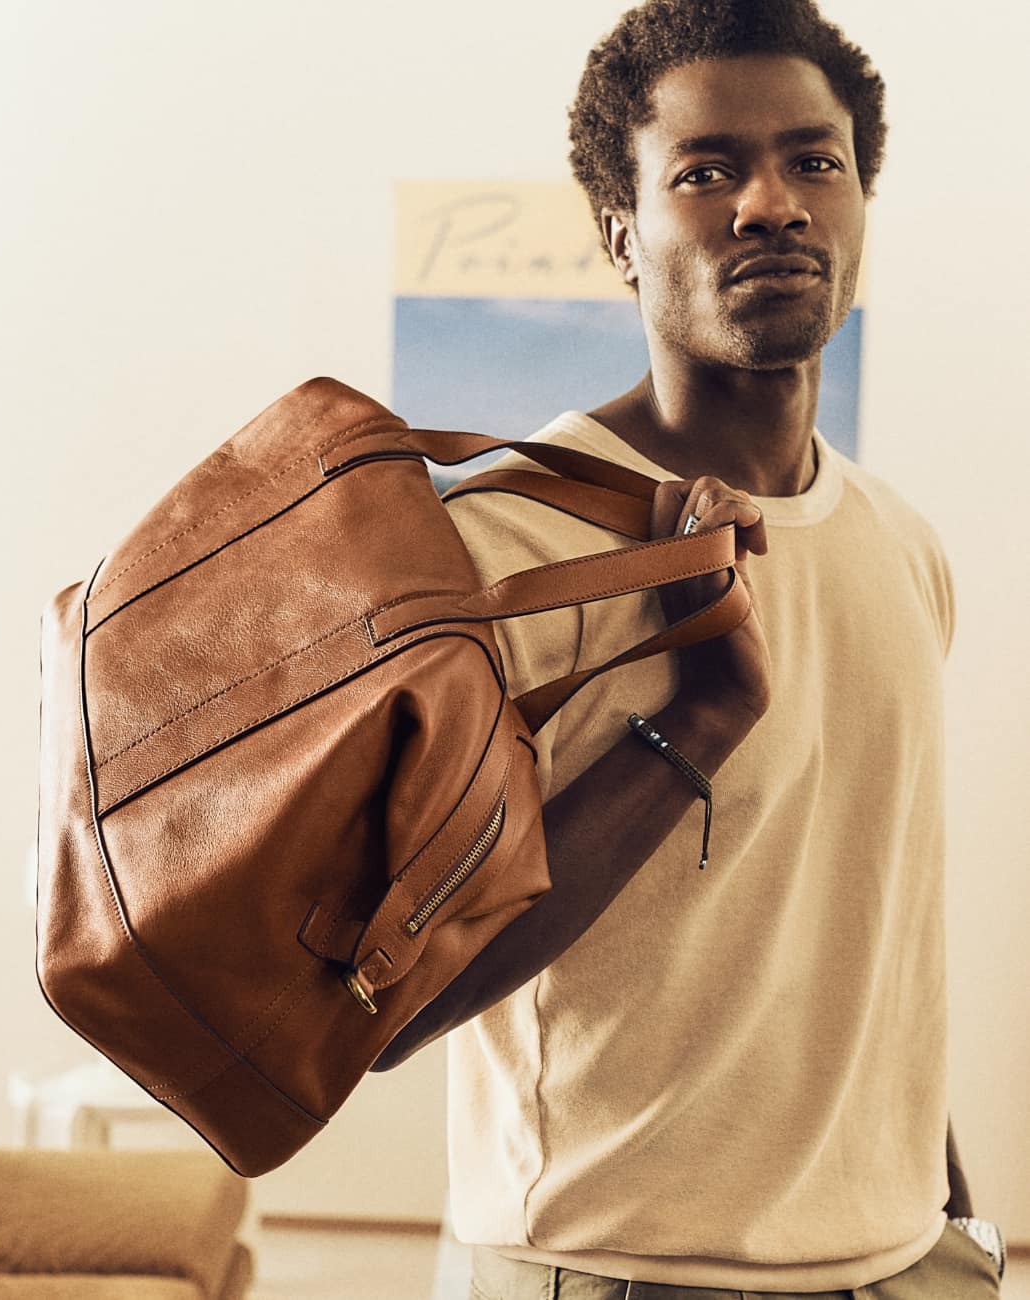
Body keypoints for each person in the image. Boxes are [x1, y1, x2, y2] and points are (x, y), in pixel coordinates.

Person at [376, 1, 1005, 1295]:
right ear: (623, 235)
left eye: (813, 162)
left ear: (858, 207)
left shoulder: (905, 547)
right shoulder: (509, 543)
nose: (771, 203)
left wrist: (943, 1211)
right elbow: (392, 1002)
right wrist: (700, 721)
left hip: (897, 1259)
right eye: (707, 169)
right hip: (604, 1266)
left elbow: (858, 918)